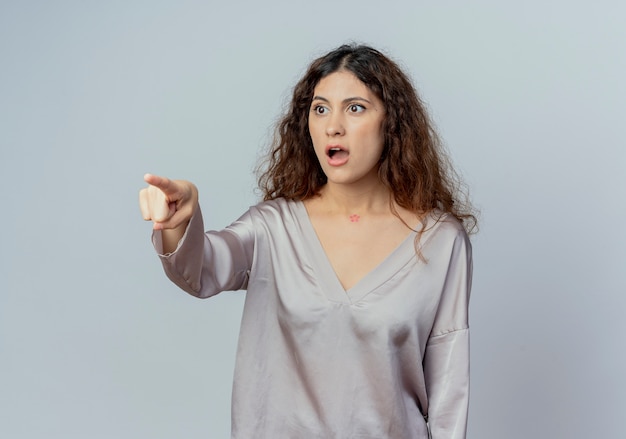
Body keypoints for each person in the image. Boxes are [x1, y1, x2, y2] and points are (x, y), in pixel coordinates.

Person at [139, 44, 477, 439]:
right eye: (320, 109)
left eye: (355, 108)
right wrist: (181, 220)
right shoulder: (272, 227)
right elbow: (201, 269)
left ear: (392, 123)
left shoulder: (439, 241)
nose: (333, 125)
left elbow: (449, 390)